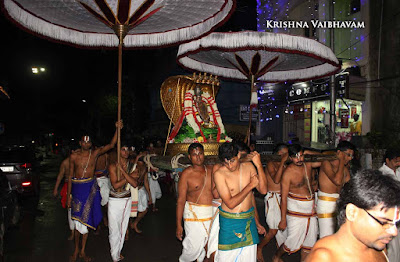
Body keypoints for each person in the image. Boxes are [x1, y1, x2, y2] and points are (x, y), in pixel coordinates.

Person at [306, 170, 400, 261]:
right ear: (352, 212)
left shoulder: (378, 246)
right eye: (384, 222)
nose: (394, 232)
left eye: (395, 223)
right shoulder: (324, 258)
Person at [67, 120, 122, 262]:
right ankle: (76, 250)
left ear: (91, 144)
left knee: (85, 223)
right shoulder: (74, 156)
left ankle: (83, 251)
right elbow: (70, 176)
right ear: (80, 143)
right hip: (78, 190)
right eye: (83, 141)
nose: (86, 144)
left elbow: (111, 145)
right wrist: (69, 196)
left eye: (88, 142)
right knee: (77, 222)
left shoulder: (95, 153)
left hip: (90, 189)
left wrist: (117, 129)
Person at [208, 141, 266, 262]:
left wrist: (259, 165)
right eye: (226, 162)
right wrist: (250, 186)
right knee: (225, 258)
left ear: (238, 155)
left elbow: (263, 190)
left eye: (232, 160)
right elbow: (230, 203)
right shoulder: (220, 174)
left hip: (248, 221)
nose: (229, 165)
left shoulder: (249, 167)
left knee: (249, 259)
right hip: (230, 222)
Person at [272, 144, 321, 262]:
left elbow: (322, 159)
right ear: (290, 158)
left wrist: (308, 151)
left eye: (301, 156)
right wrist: (283, 220)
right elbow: (283, 198)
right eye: (295, 157)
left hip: (310, 210)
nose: (299, 159)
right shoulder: (288, 173)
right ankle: (277, 256)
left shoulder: (307, 165)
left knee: (309, 243)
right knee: (291, 242)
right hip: (295, 211)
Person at [176, 143, 213, 262]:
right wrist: (178, 224)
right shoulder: (186, 174)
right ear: (189, 157)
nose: (198, 157)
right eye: (194, 154)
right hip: (193, 215)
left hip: (210, 214)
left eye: (200, 153)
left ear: (204, 154)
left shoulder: (212, 170)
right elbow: (181, 200)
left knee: (210, 248)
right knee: (192, 248)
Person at [257, 143, 289, 262]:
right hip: (273, 198)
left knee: (283, 231)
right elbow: (276, 179)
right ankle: (259, 248)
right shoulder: (271, 164)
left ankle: (277, 255)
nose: (286, 156)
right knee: (273, 230)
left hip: (283, 198)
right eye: (283, 153)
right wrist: (282, 163)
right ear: (278, 154)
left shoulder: (286, 165)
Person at [317, 141, 355, 238]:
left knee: (337, 236)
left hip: (338, 204)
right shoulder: (326, 163)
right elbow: (337, 181)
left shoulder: (345, 169)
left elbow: (349, 186)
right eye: (348, 155)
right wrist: (341, 161)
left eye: (351, 156)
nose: (350, 158)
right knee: (326, 237)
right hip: (326, 204)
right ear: (339, 153)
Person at [108, 143, 138, 262]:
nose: (125, 152)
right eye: (123, 149)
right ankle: (114, 254)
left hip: (126, 199)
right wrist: (129, 177)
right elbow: (115, 185)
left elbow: (134, 184)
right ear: (118, 151)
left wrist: (124, 173)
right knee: (113, 229)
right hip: (114, 200)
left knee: (122, 228)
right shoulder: (113, 166)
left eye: (127, 150)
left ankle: (117, 252)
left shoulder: (132, 166)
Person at [379, 148, 400, 261]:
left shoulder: (399, 171)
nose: (398, 164)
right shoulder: (382, 173)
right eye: (395, 161)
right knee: (392, 245)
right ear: (387, 160)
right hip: (390, 211)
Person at [53, 156, 74, 240]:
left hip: (79, 185)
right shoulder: (65, 163)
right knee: (70, 209)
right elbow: (60, 176)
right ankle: (72, 231)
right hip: (68, 185)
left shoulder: (82, 159)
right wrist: (55, 189)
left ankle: (78, 230)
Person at [95, 152, 111, 228]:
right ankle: (99, 223)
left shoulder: (106, 156)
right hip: (95, 181)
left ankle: (106, 219)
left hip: (104, 181)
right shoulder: (93, 155)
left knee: (107, 204)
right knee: (96, 203)